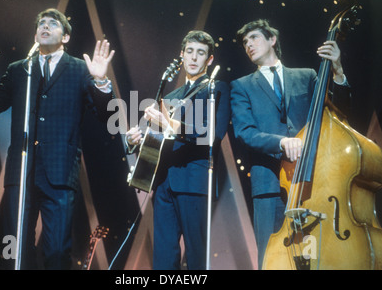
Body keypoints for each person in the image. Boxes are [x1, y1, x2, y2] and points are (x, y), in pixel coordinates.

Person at [0, 8, 115, 269]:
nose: (45, 27)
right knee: (17, 252)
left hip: (60, 172)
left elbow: (104, 114)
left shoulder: (80, 70)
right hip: (21, 172)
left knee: (57, 252)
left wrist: (101, 81)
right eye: (41, 24)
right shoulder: (20, 69)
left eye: (53, 24)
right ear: (35, 34)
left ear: (65, 37)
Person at [230, 19, 351, 269]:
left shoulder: (306, 76)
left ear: (272, 40)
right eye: (245, 42)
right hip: (269, 187)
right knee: (270, 258)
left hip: (311, 182)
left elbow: (340, 110)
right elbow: (244, 132)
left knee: (314, 257)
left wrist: (337, 70)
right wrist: (282, 142)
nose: (249, 45)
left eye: (254, 38)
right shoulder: (241, 86)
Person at [126, 30, 231, 270]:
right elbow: (159, 139)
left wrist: (170, 124)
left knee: (196, 254)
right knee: (163, 255)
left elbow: (212, 135)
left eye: (201, 53)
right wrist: (136, 139)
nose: (194, 58)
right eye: (190, 52)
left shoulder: (217, 89)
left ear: (209, 59)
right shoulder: (171, 95)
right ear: (182, 55)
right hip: (164, 183)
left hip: (195, 181)